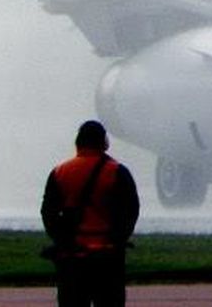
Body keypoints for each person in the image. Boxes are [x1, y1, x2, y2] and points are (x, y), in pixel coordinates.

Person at [41, 119, 141, 307]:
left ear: (78, 143)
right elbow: (131, 210)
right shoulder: (117, 171)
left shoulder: (60, 172)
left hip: (72, 258)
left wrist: (62, 241)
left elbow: (49, 214)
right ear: (104, 143)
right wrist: (118, 239)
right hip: (108, 257)